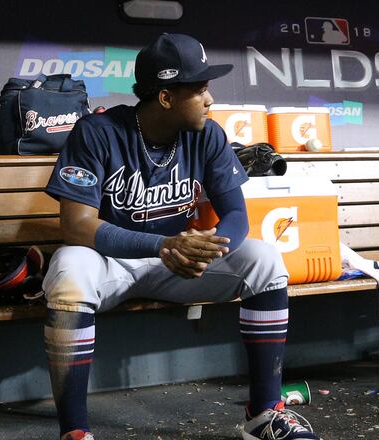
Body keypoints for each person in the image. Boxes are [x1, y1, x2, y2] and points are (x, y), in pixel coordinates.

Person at [42, 33, 320, 440]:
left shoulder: (207, 134)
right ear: (166, 97)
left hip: (179, 262)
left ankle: (264, 414)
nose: (210, 100)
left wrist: (208, 249)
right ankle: (75, 432)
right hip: (110, 262)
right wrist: (162, 245)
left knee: (264, 259)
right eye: (200, 90)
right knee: (68, 268)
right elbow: (77, 225)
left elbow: (237, 215)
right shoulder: (97, 132)